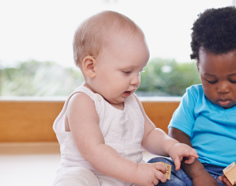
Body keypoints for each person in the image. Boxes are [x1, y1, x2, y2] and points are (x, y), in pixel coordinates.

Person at [52, 10, 198, 186]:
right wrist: (135, 172)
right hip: (92, 177)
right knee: (74, 180)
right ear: (91, 67)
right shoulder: (83, 102)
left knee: (162, 178)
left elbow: (150, 134)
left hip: (128, 179)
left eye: (140, 71)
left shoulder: (131, 101)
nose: (136, 80)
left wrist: (171, 146)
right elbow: (95, 151)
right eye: (127, 72)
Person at [148, 6, 236, 186]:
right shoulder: (193, 97)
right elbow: (177, 136)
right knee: (157, 169)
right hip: (192, 172)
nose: (223, 89)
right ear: (199, 68)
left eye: (235, 80)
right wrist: (198, 173)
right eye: (211, 80)